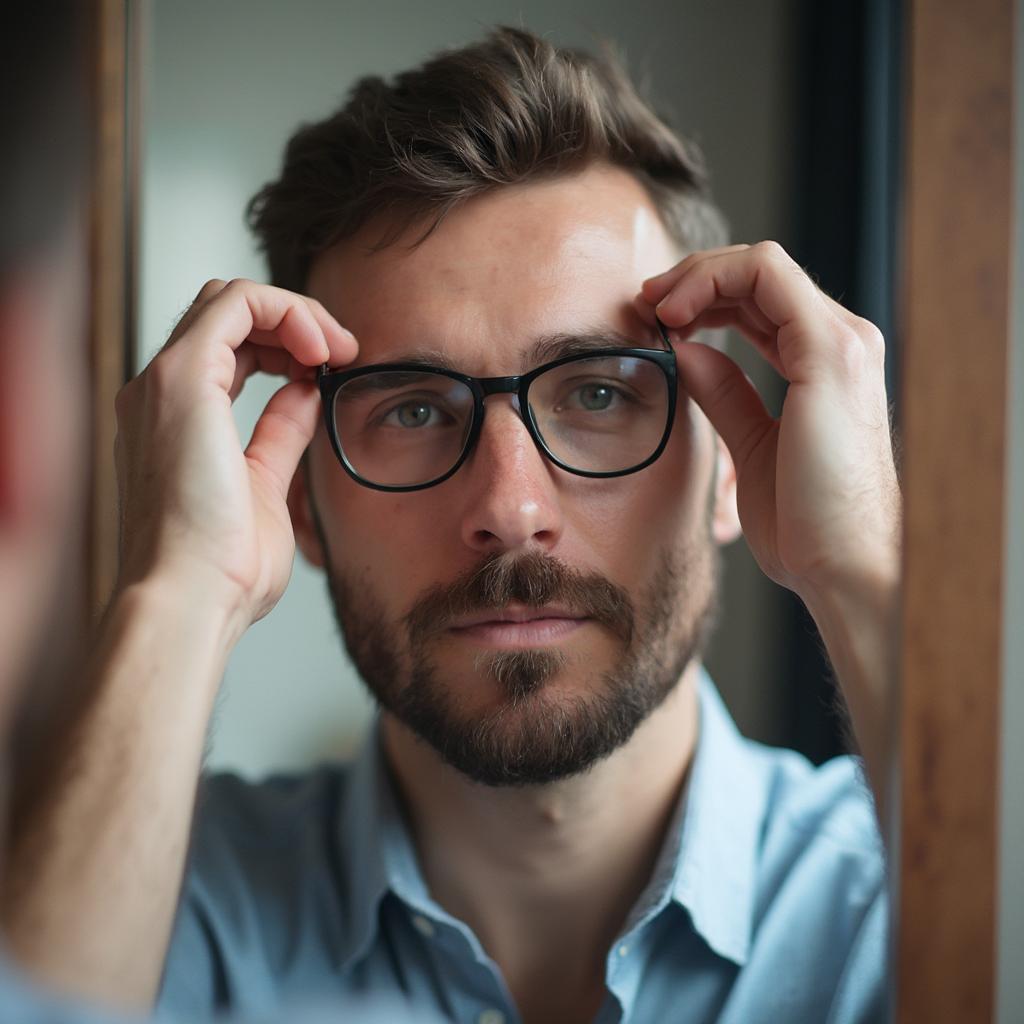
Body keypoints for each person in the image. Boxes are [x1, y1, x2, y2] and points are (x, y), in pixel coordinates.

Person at [3, 26, 899, 1024]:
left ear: (727, 460)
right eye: (415, 410)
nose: (510, 510)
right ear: (301, 498)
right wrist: (174, 595)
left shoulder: (903, 902)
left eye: (597, 395)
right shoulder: (153, 918)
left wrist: (858, 568)